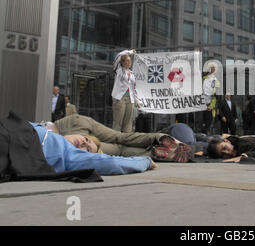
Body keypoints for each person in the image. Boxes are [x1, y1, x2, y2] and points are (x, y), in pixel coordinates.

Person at [31, 122, 156, 175]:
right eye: (86, 140)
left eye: (87, 149)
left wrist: (145, 161)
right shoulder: (51, 133)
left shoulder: (68, 154)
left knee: (120, 138)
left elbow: (110, 162)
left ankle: (157, 139)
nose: (83, 143)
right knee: (119, 138)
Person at [51, 114, 191, 161]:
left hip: (68, 138)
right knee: (120, 137)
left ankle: (152, 153)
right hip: (71, 123)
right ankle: (158, 137)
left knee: (120, 150)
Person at [112, 49, 141, 133]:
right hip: (120, 97)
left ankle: (126, 139)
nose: (129, 62)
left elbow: (134, 88)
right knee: (118, 120)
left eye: (130, 60)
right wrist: (130, 52)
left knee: (128, 121)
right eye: (127, 61)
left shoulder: (132, 74)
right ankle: (115, 140)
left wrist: (137, 101)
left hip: (130, 98)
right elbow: (119, 55)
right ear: (122, 62)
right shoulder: (118, 70)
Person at [202, 62, 220, 135]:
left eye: (214, 67)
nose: (213, 68)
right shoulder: (203, 78)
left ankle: (208, 135)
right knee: (201, 121)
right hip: (201, 103)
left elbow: (216, 95)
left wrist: (211, 106)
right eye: (212, 67)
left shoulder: (216, 80)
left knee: (209, 122)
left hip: (209, 105)